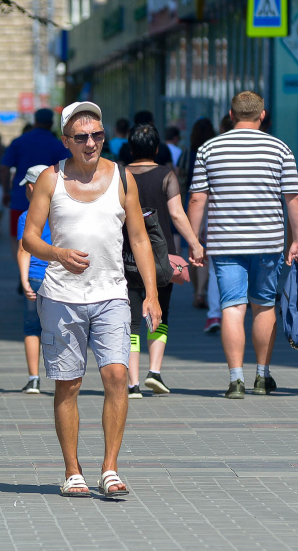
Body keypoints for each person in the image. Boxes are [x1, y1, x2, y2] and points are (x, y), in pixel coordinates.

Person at [22, 101, 161, 498]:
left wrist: (150, 294)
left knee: (117, 375)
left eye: (97, 135)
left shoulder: (122, 177)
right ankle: (72, 471)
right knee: (68, 384)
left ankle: (110, 468)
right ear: (66, 141)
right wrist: (58, 254)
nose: (90, 142)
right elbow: (29, 237)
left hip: (112, 293)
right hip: (62, 296)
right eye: (81, 137)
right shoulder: (51, 180)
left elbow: (139, 238)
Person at [187, 91, 298, 399]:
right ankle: (262, 376)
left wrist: (193, 240)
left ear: (230, 114)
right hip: (267, 241)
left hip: (225, 241)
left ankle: (235, 378)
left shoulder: (208, 149)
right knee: (264, 304)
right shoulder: (279, 148)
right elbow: (293, 198)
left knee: (232, 306)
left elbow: (198, 197)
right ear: (262, 115)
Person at [124, 124, 205, 399]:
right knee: (161, 313)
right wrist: (194, 244)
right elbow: (177, 214)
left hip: (126, 254)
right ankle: (154, 372)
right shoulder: (166, 175)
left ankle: (132, 383)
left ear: (131, 148)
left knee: (132, 320)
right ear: (157, 149)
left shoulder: (120, 176)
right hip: (161, 256)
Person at [0, 108, 72, 256]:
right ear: (51, 123)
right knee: (45, 235)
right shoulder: (58, 145)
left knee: (17, 236)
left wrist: (6, 191)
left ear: (35, 121)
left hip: (21, 196)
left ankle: (23, 271)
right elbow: (69, 169)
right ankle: (38, 270)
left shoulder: (19, 142)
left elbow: (4, 168)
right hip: (50, 199)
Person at [16, 164, 50, 394]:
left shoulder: (26, 217)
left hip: (36, 277)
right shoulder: (61, 213)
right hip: (60, 277)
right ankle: (63, 377)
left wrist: (24, 280)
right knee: (60, 328)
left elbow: (23, 251)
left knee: (32, 328)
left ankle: (34, 379)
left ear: (30, 187)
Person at [185, 118, 217, 310]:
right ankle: (201, 292)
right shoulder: (212, 153)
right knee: (204, 247)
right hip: (209, 203)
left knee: (193, 245)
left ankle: (197, 291)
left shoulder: (188, 155)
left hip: (188, 203)